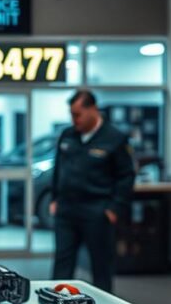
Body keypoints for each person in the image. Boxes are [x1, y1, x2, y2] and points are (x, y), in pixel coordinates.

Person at [50, 89, 135, 292]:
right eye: (72, 114)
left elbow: (126, 175)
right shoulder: (68, 135)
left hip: (97, 210)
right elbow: (58, 169)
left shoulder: (114, 138)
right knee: (62, 264)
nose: (74, 119)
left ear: (93, 109)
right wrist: (55, 198)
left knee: (101, 266)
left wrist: (115, 208)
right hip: (67, 210)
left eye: (78, 114)